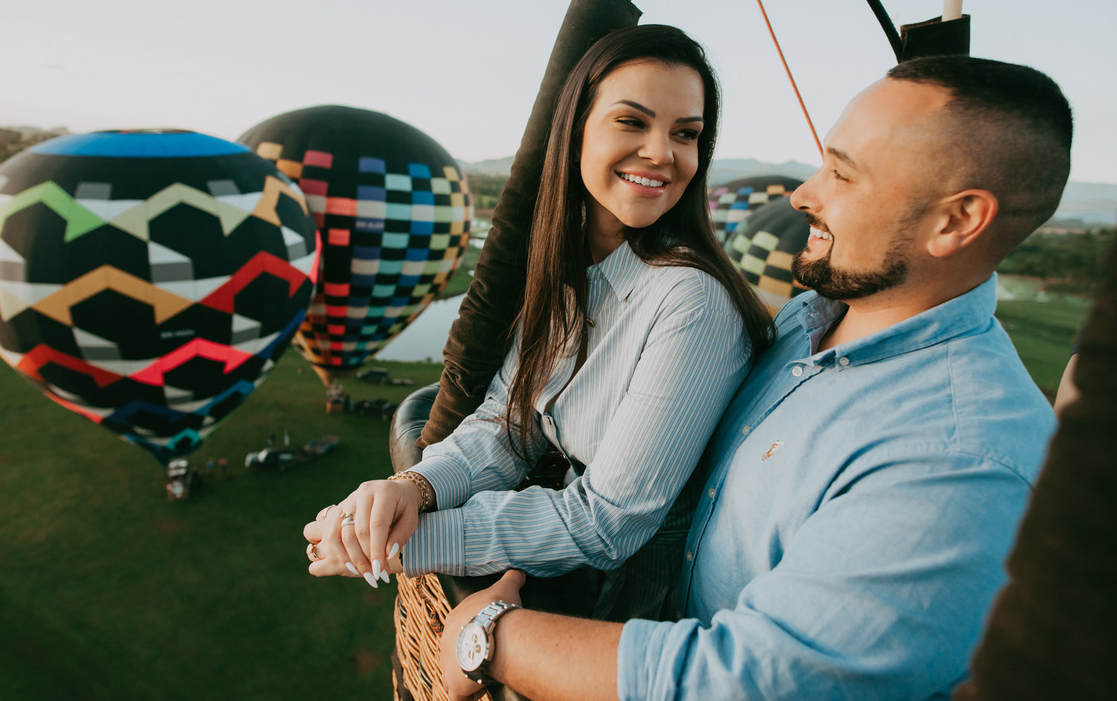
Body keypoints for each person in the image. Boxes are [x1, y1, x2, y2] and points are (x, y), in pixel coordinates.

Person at [431, 55, 1073, 701]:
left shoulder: (961, 459)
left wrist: (492, 637)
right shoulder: (807, 320)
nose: (804, 194)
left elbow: (750, 682)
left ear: (957, 220)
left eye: (842, 173)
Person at [303, 24, 775, 621]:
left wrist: (403, 544)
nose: (663, 153)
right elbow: (510, 419)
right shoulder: (570, 269)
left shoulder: (691, 300)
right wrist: (412, 490)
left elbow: (609, 522)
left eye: (686, 134)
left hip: (624, 622)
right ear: (574, 129)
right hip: (566, 584)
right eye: (632, 122)